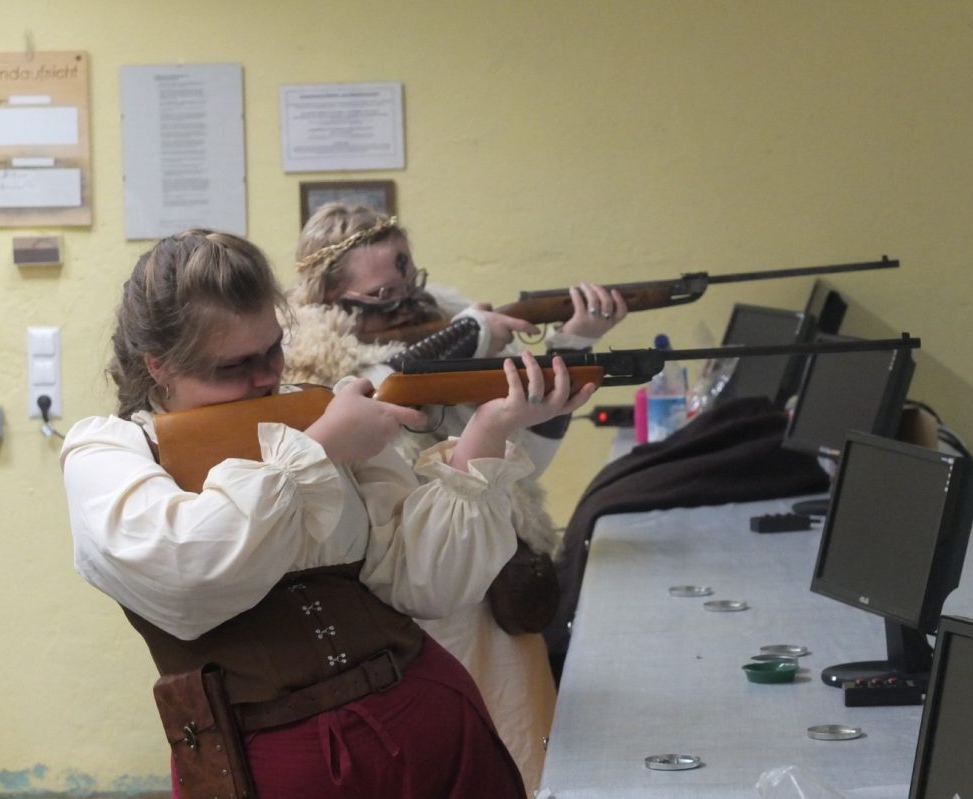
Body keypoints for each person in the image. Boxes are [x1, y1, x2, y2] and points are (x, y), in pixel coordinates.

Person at [60, 229, 595, 799]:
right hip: (269, 766)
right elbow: (187, 574)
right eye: (233, 366)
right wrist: (317, 451)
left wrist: (489, 430)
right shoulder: (107, 453)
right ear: (158, 366)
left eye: (272, 350)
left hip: (434, 721)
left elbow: (425, 583)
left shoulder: (316, 409)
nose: (266, 377)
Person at [281, 204, 627, 794]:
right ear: (327, 296)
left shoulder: (441, 327)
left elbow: (519, 470)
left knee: (525, 753)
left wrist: (575, 343)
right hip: (421, 605)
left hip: (495, 587)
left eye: (408, 280)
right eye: (381, 294)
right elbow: (380, 396)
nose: (404, 302)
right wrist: (465, 336)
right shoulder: (317, 371)